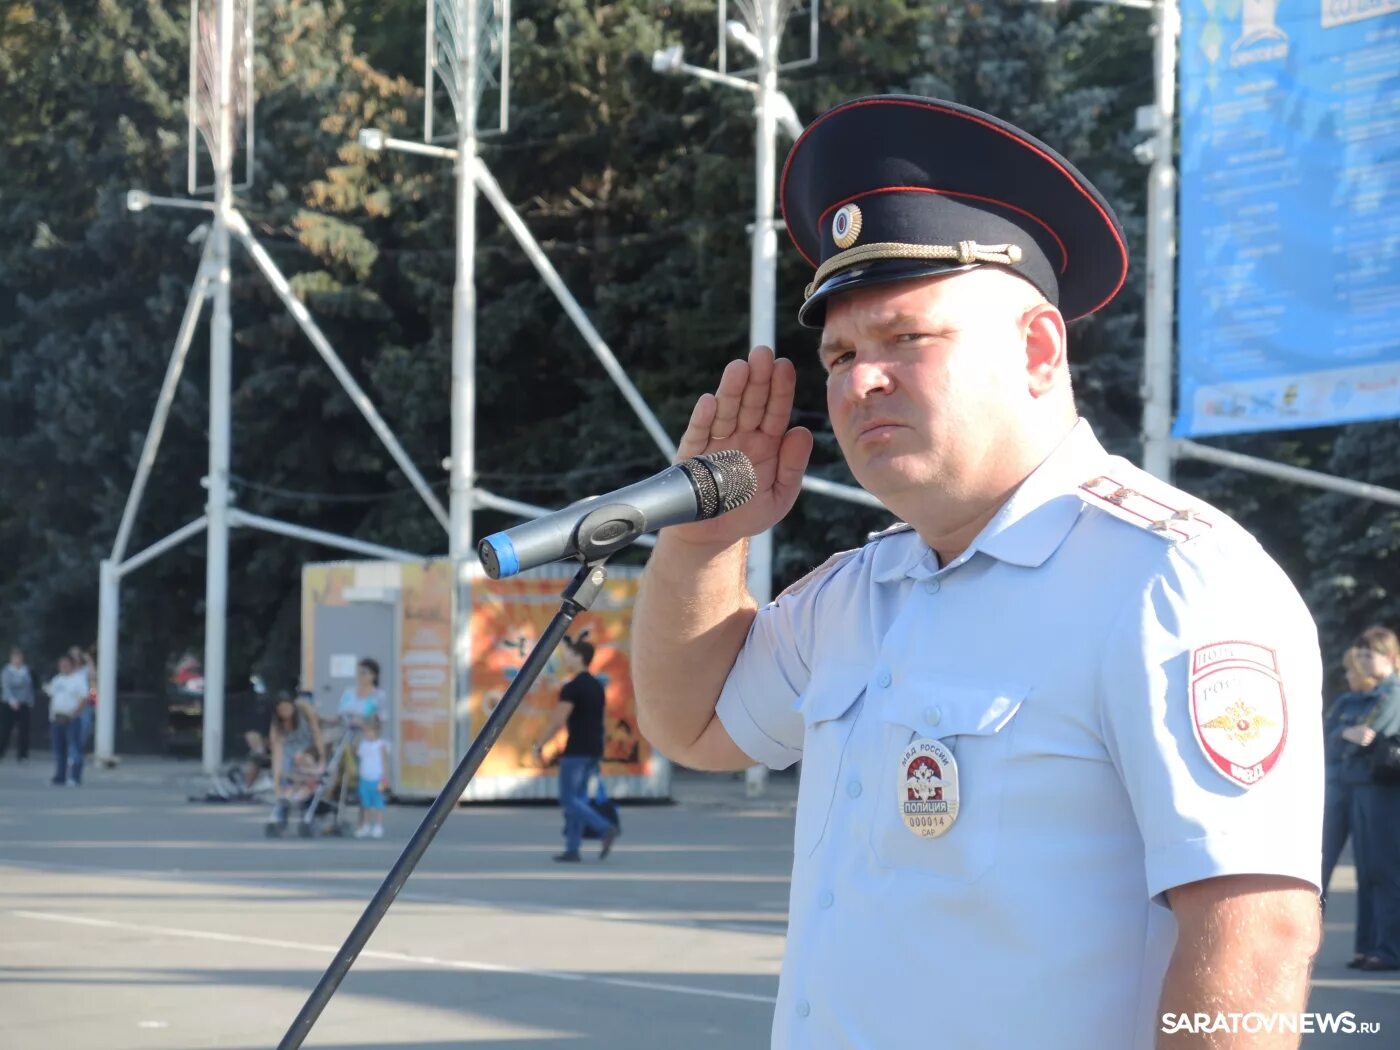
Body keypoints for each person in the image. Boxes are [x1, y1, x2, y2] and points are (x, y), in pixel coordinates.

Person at [632, 95, 1323, 1049]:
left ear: (1038, 349)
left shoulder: (1173, 581)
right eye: (839, 352)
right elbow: (694, 726)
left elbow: (1252, 938)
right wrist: (703, 544)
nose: (858, 380)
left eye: (906, 339)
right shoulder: (859, 592)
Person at [1340, 625, 1400, 971]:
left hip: (1384, 788)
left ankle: (1388, 949)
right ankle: (1368, 947)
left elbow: (1367, 732)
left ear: (1389, 657)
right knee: (1368, 870)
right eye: (1360, 654)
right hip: (1366, 787)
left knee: (1384, 870)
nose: (1363, 659)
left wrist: (1350, 733)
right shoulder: (1376, 692)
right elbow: (1344, 732)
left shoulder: (1391, 693)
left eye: (1370, 653)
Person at [530, 633, 618, 862]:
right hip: (593, 749)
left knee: (570, 799)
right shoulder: (596, 686)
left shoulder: (573, 687)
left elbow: (558, 720)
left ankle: (604, 827)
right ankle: (572, 848)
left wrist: (540, 744)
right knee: (578, 798)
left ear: (579, 657)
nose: (566, 658)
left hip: (577, 749)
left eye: (569, 655)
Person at [1322, 647, 1378, 917]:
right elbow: (1326, 735)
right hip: (1337, 787)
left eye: (1350, 670)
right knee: (1321, 861)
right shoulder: (1344, 702)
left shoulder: (1383, 700)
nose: (1347, 675)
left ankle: (1369, 947)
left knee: (1370, 868)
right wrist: (1345, 733)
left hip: (1367, 788)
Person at [267, 690, 326, 831]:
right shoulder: (276, 726)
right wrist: (276, 781)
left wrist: (322, 757)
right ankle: (282, 806)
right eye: (281, 710)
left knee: (307, 768)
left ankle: (300, 800)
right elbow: (277, 754)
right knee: (285, 772)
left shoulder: (303, 709)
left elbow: (316, 731)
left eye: (287, 708)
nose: (284, 712)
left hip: (308, 748)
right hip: (290, 751)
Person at [43, 655, 88, 786]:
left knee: (74, 748)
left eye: (66, 664)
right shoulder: (57, 679)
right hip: (57, 718)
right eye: (61, 665)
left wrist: (75, 713)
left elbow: (84, 698)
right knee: (58, 749)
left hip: (71, 718)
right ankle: (60, 776)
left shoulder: (78, 679)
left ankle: (75, 777)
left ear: (72, 665)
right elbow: (51, 693)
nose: (63, 667)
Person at [355, 714, 391, 839]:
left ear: (376, 731)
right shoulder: (363, 744)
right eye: (365, 731)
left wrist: (385, 778)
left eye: (369, 731)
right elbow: (358, 755)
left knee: (378, 803)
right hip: (365, 778)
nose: (367, 734)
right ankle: (365, 825)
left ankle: (378, 825)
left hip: (377, 779)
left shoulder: (381, 745)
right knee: (365, 804)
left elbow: (384, 761)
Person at [0, 647, 35, 762]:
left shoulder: (26, 671)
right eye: (15, 657)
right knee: (5, 729)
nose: (17, 660)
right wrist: (12, 701)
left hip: (23, 703)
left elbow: (29, 688)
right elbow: (6, 687)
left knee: (24, 730)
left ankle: (22, 754)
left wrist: (30, 701)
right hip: (9, 704)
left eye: (19, 657)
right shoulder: (6, 671)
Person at [338, 658, 383, 730]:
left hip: (366, 735)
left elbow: (381, 721)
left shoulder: (378, 696)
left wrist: (363, 724)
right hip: (345, 734)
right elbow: (340, 715)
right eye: (358, 673)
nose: (360, 676)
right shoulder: (348, 692)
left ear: (373, 675)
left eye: (363, 673)